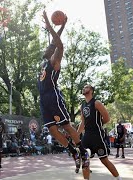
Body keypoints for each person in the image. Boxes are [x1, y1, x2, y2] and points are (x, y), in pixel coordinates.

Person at [38, 10, 89, 173]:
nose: (49, 47)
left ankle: (82, 151)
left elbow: (59, 44)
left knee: (66, 126)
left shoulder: (54, 60)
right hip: (43, 99)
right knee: (52, 130)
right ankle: (72, 151)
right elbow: (55, 40)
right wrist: (63, 25)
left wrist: (48, 23)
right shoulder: (45, 61)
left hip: (53, 96)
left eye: (51, 47)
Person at [77, 84, 122, 180]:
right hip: (87, 136)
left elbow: (107, 118)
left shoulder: (96, 103)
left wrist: (97, 124)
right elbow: (83, 122)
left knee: (104, 160)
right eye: (83, 87)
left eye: (87, 87)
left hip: (97, 135)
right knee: (85, 159)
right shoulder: (82, 105)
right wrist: (76, 135)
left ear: (91, 91)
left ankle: (118, 178)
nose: (84, 88)